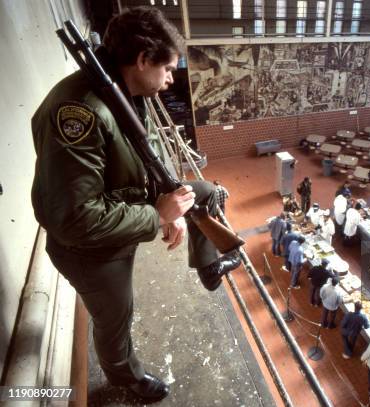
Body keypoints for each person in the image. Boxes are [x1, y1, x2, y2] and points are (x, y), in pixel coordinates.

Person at [30, 7, 241, 400]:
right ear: (143, 59)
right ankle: (124, 377)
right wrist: (157, 214)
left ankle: (209, 268)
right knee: (115, 321)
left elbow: (142, 154)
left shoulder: (121, 89)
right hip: (89, 249)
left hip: (124, 198)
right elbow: (74, 219)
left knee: (205, 193)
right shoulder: (81, 113)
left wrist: (170, 206)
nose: (171, 78)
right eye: (168, 69)